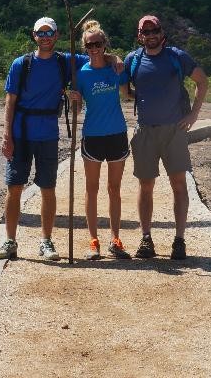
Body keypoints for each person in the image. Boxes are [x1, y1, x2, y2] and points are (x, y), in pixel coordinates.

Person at [0, 17, 85, 261]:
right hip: (20, 134)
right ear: (34, 35)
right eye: (40, 33)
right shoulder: (21, 64)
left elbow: (95, 57)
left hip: (48, 135)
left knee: (48, 188)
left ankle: (46, 241)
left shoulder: (65, 61)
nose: (45, 37)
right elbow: (10, 102)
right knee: (14, 187)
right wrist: (6, 136)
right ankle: (10, 241)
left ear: (56, 35)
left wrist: (114, 60)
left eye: (49, 33)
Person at [125, 15, 208, 260]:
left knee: (179, 184)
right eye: (146, 32)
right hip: (145, 131)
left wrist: (193, 114)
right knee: (145, 186)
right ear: (140, 36)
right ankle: (146, 239)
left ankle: (179, 240)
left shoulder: (177, 57)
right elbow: (125, 90)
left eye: (155, 30)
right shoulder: (133, 60)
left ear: (162, 32)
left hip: (174, 131)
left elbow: (202, 81)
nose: (151, 35)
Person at [69, 20, 132, 260]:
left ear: (105, 44)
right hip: (93, 136)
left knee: (114, 189)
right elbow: (77, 109)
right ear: (84, 47)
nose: (94, 48)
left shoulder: (115, 68)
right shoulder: (81, 74)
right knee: (92, 189)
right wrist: (74, 99)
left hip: (116, 133)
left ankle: (115, 239)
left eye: (97, 44)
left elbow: (127, 94)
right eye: (89, 45)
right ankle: (93, 241)